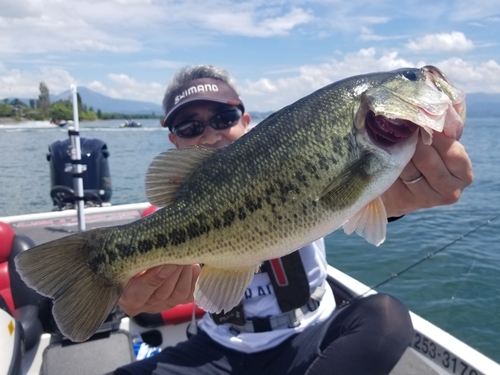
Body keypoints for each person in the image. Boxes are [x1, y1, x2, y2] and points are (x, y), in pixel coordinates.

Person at [113, 65, 473, 375]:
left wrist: (394, 202)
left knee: (387, 318)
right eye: (191, 127)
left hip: (309, 334)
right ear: (173, 140)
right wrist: (123, 297)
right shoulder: (171, 217)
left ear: (246, 122)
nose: (211, 134)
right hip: (217, 346)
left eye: (224, 119)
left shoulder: (291, 154)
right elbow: (130, 292)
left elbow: (362, 202)